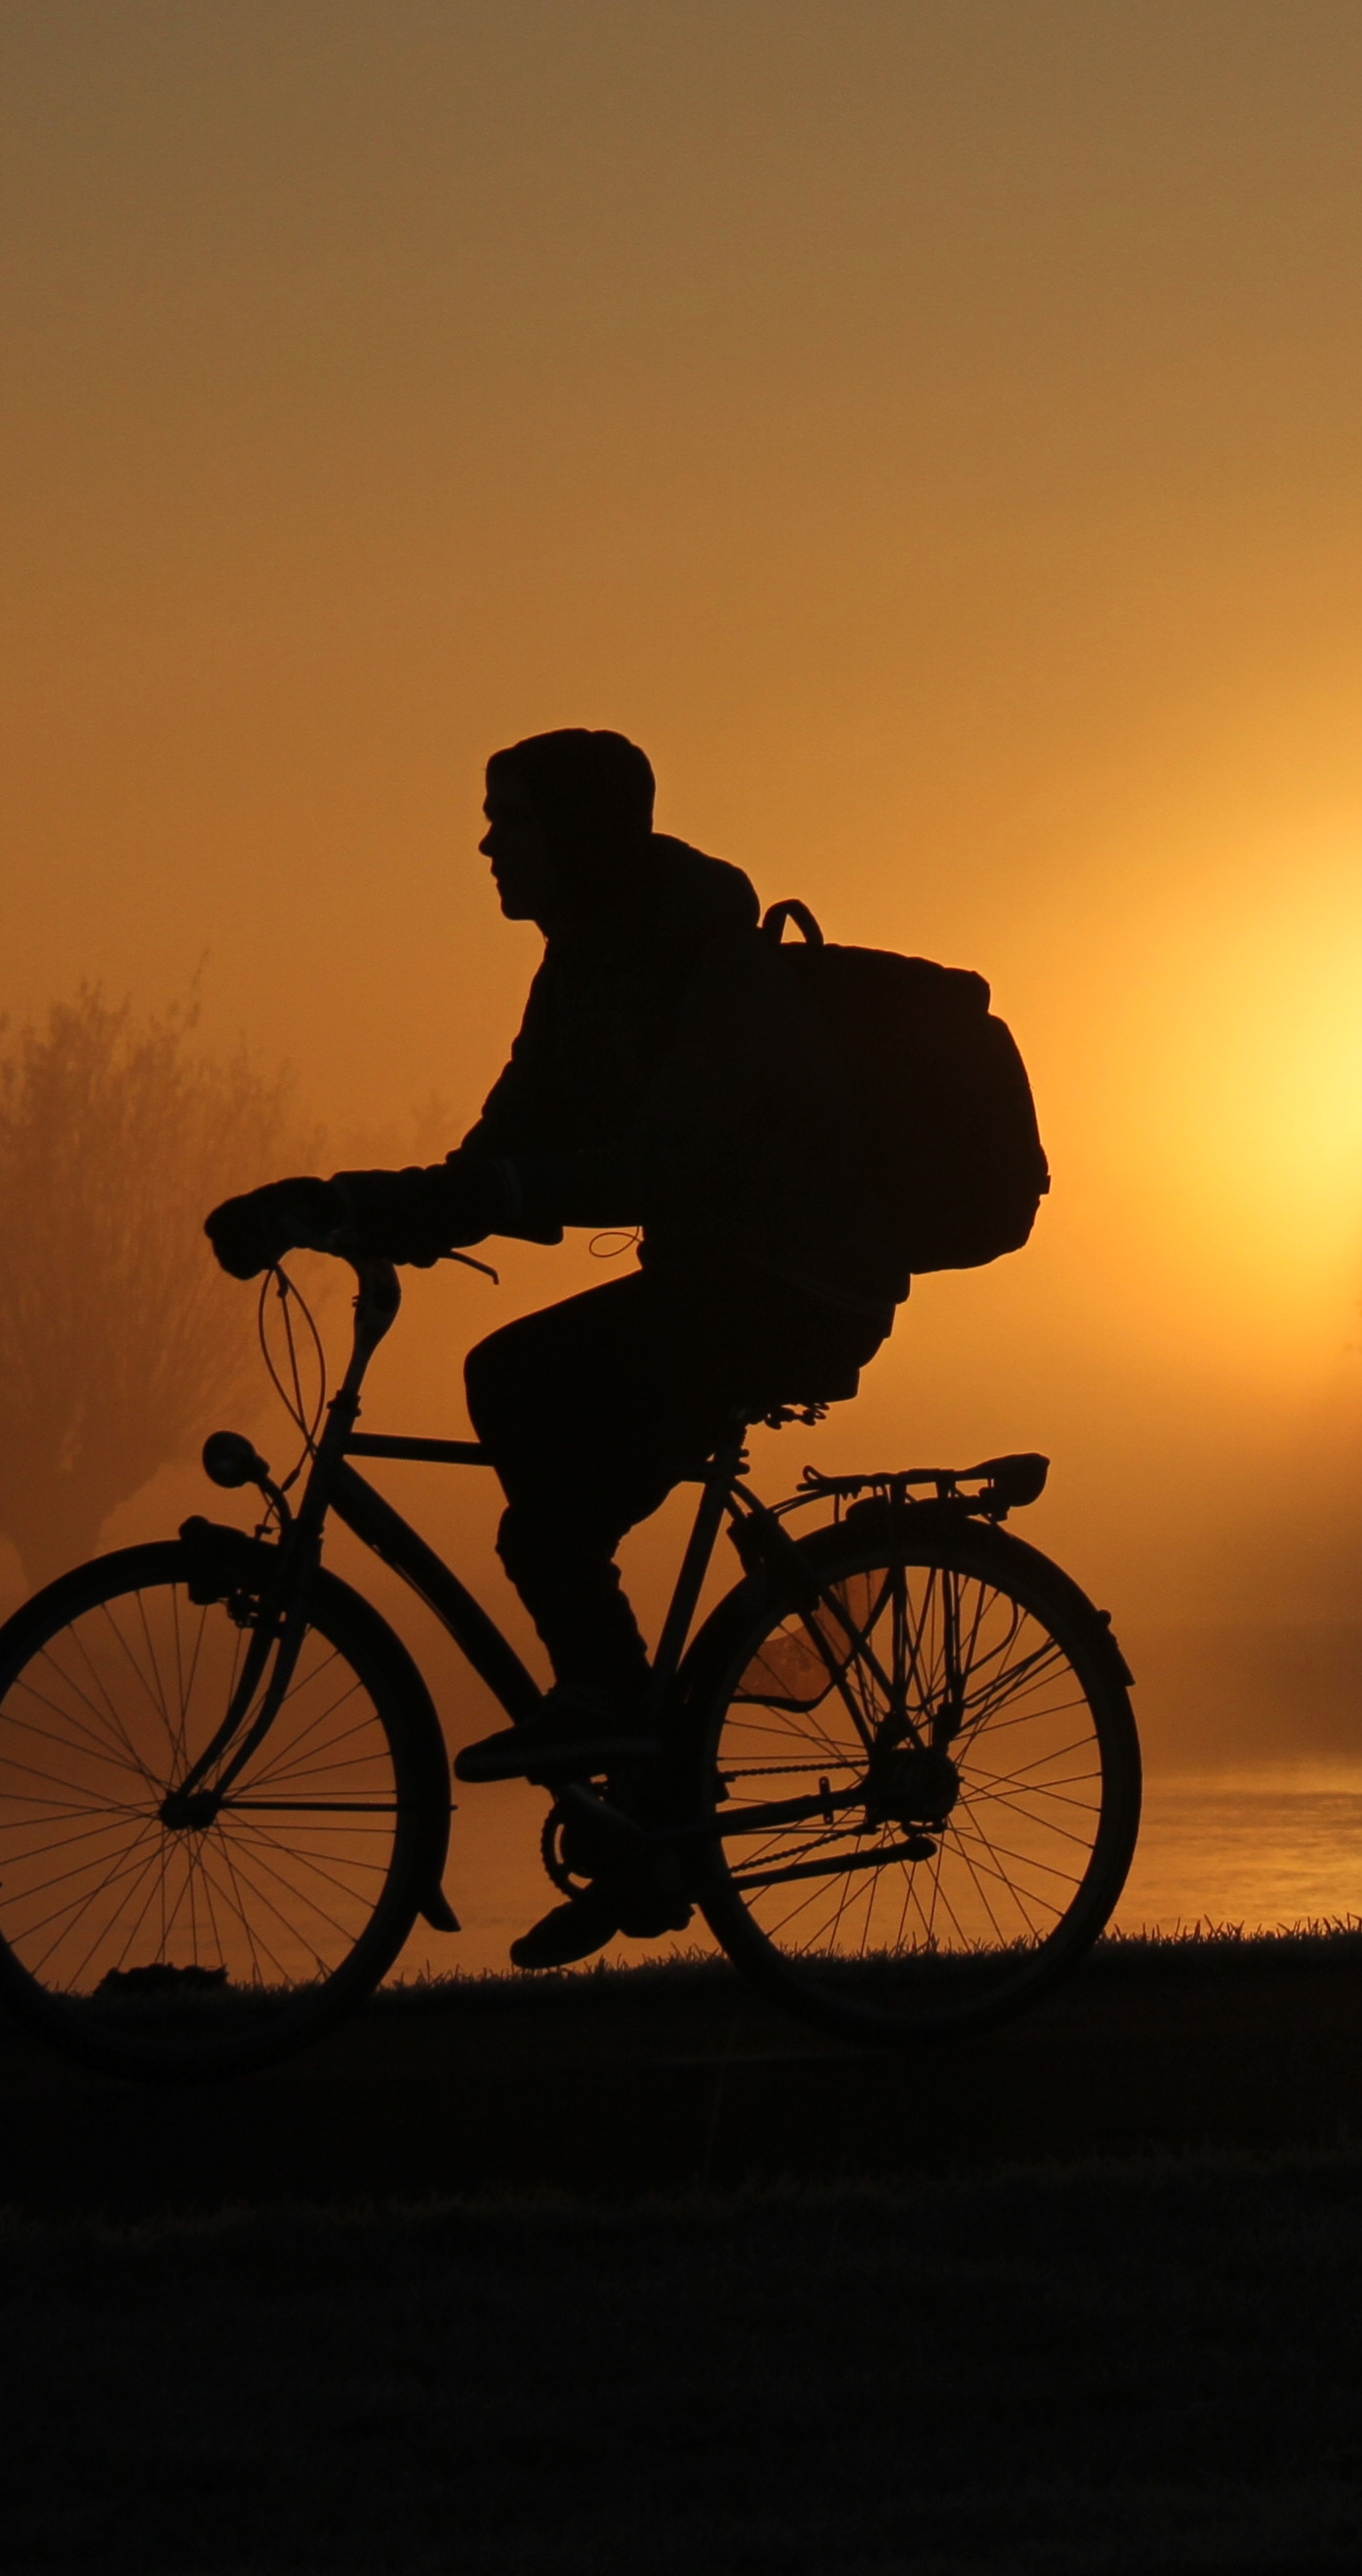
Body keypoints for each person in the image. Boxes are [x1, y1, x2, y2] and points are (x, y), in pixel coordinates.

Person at [205, 726, 904, 1969]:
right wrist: (341, 1207)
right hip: (713, 1280)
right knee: (537, 1471)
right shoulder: (582, 970)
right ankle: (643, 1790)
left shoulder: (714, 967)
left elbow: (665, 1159)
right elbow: (499, 1157)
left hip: (798, 1283)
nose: (487, 845)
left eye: (511, 819)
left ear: (580, 837)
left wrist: (495, 1191)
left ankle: (628, 1743)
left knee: (524, 1421)